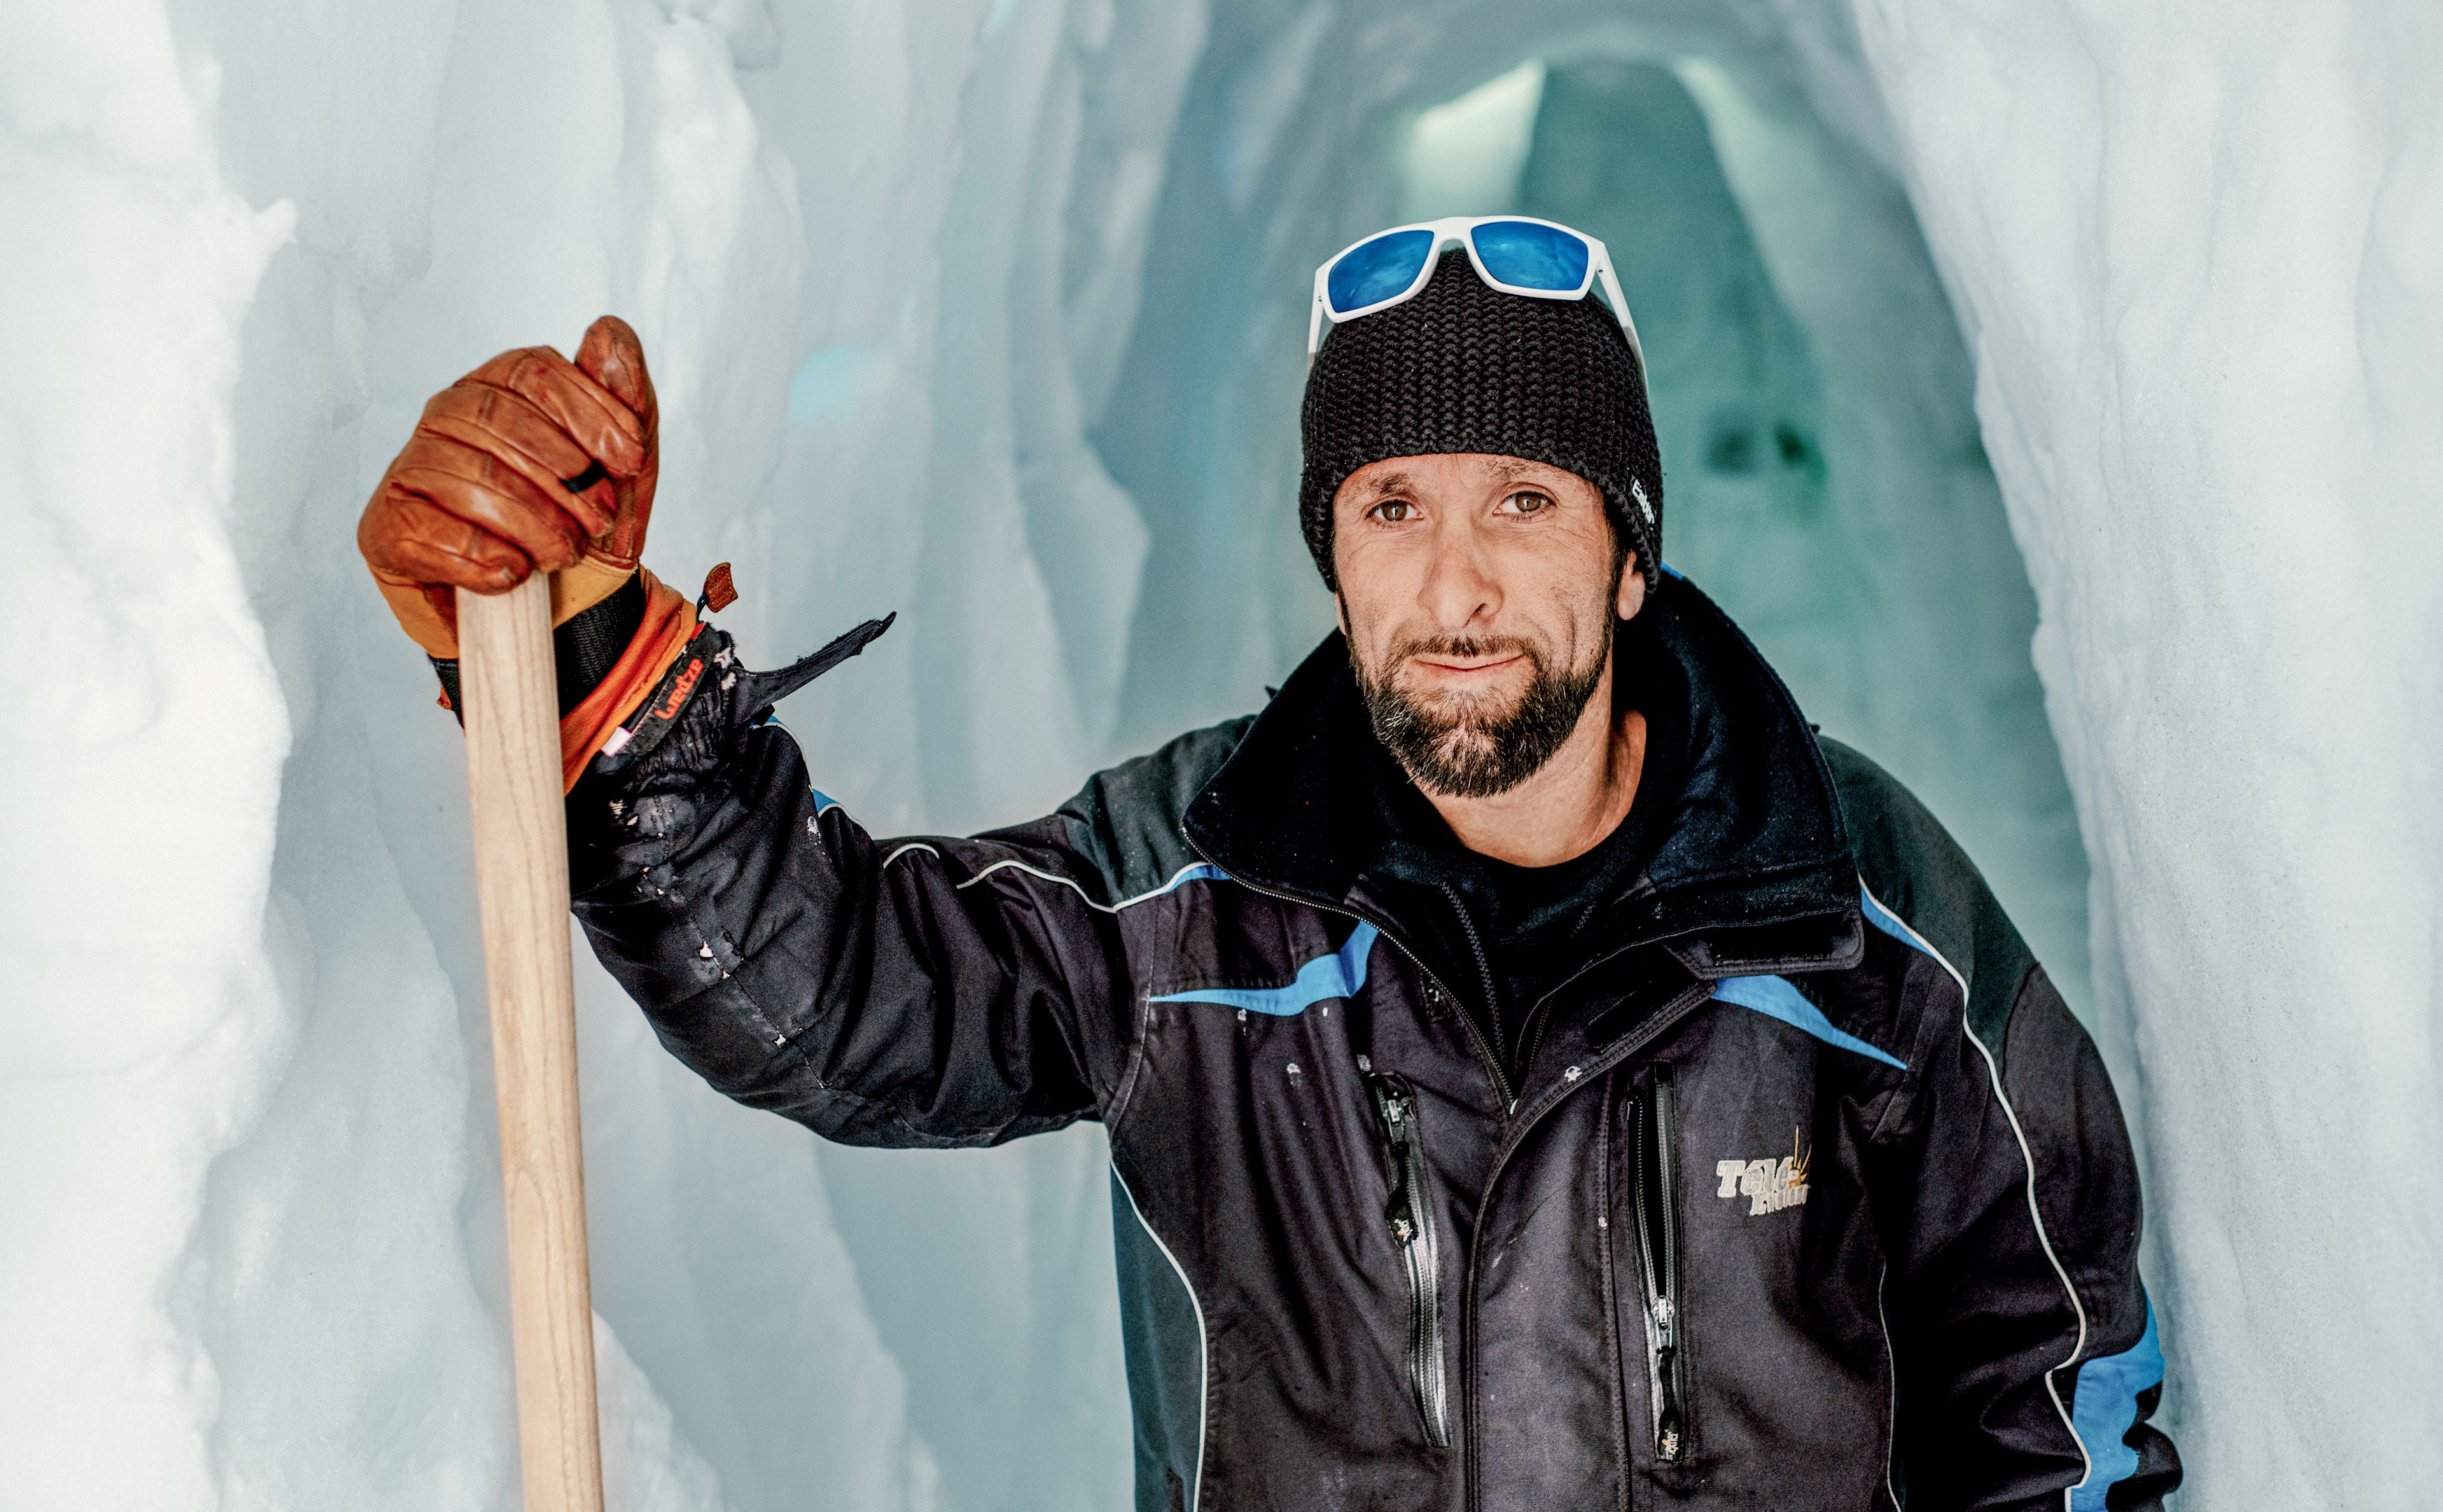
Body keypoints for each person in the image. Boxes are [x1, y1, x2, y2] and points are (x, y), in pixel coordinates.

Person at [359, 218, 2180, 1511]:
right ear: (1334, 559)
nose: (1455, 586)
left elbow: (2055, 1371)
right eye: (1392, 507)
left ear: (1631, 556)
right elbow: (845, 1000)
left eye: (1524, 501)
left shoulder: (1863, 916)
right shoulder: (1189, 895)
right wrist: (593, 672)